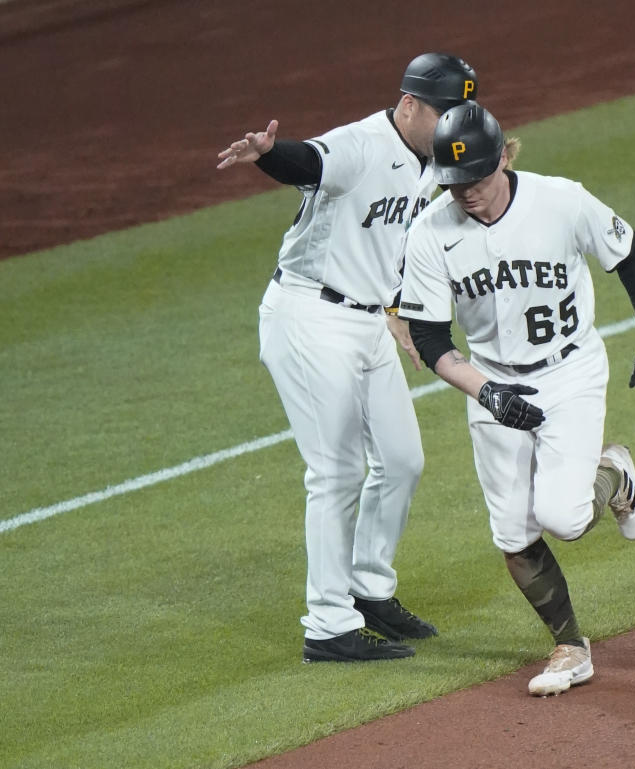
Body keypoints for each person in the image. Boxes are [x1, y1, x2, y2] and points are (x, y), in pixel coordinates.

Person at [399, 102, 635, 695]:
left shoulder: (561, 201)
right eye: (453, 183)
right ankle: (570, 647)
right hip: (493, 381)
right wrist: (488, 392)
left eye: (474, 177)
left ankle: (614, 474)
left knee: (564, 518)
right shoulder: (431, 233)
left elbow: (627, 252)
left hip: (569, 373)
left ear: (503, 156)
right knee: (514, 534)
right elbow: (428, 335)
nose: (465, 193)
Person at [215, 53, 479, 663]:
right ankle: (327, 626)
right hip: (310, 315)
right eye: (442, 111)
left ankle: (368, 590)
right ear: (409, 104)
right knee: (335, 473)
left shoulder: (437, 157)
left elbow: (392, 246)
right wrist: (268, 154)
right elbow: (308, 161)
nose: (450, 125)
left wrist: (400, 315)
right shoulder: (362, 144)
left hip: (369, 322)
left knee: (402, 460)